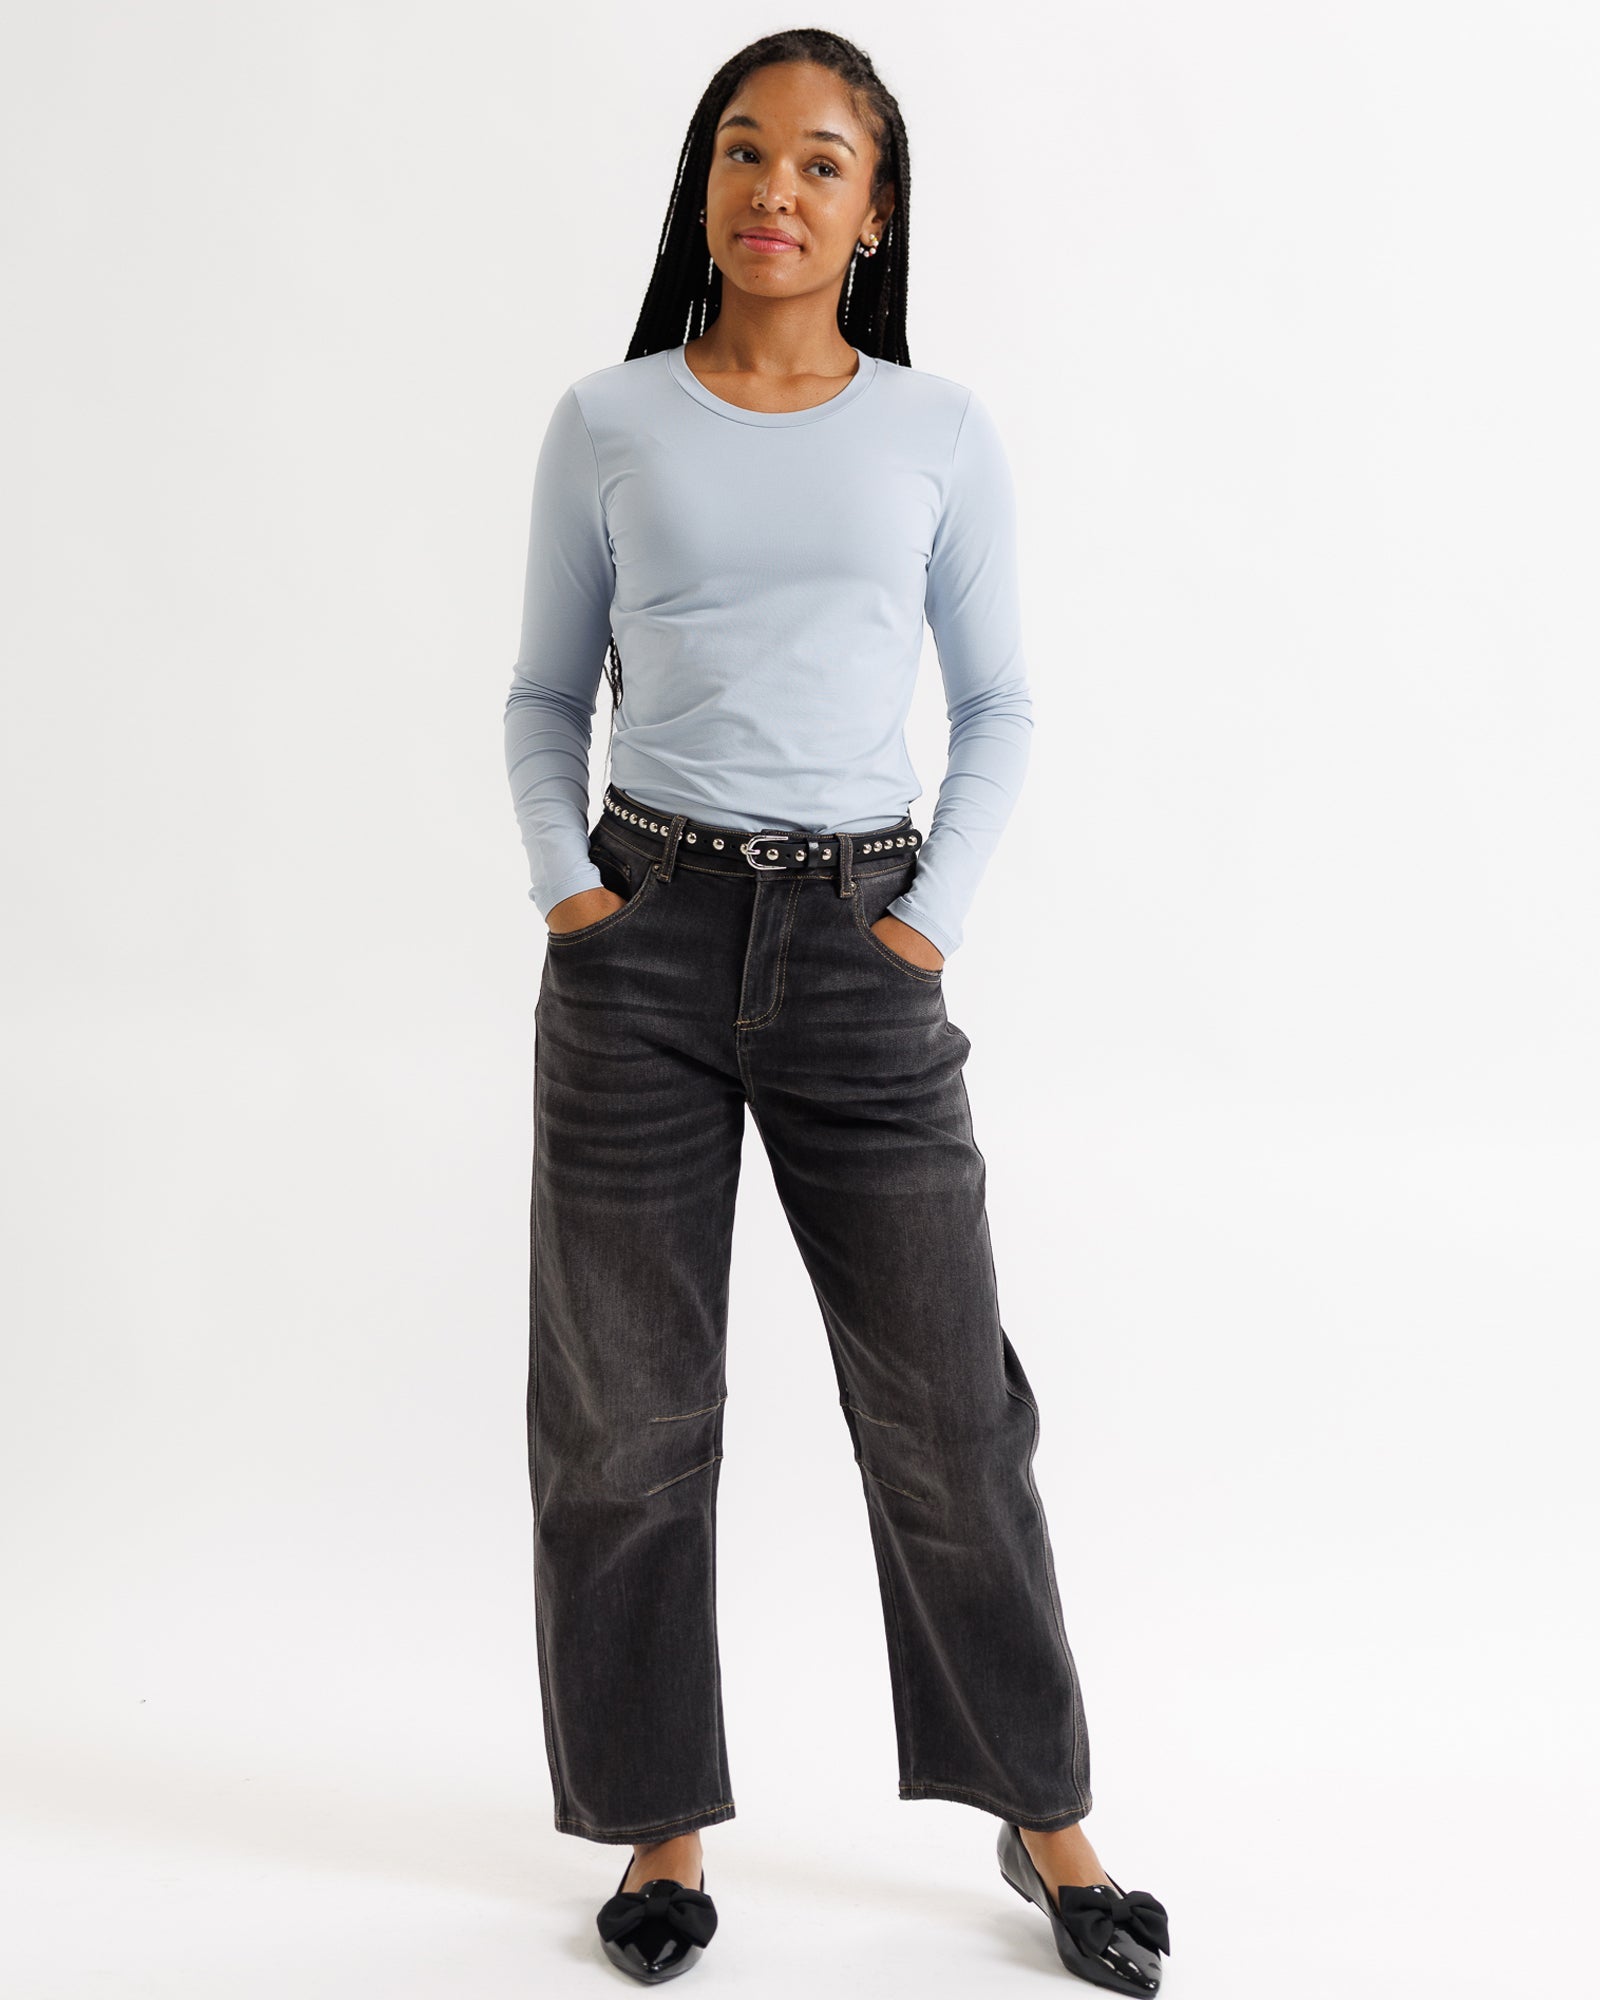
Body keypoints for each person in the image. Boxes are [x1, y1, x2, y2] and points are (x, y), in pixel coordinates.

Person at [502, 29, 1171, 1991]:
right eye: (742, 151)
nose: (772, 190)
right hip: (638, 943)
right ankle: (659, 1829)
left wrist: (923, 925)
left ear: (872, 214)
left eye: (816, 162)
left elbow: (1004, 700)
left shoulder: (934, 431)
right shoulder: (608, 419)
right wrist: (572, 897)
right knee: (623, 1422)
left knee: (949, 1414)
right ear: (704, 184)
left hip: (861, 951)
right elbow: (542, 694)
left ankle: (1043, 1816)